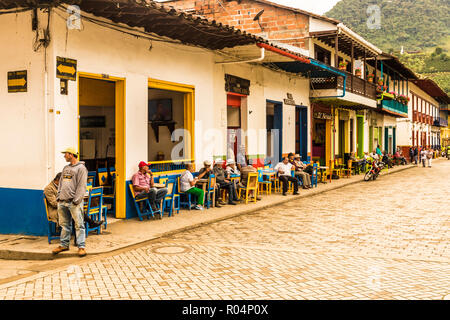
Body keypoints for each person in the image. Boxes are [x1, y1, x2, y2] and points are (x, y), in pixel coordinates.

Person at [52, 147, 88, 257]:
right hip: (62, 201)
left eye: (65, 154)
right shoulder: (65, 168)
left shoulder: (81, 168)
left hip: (73, 202)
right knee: (64, 225)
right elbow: (61, 183)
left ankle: (81, 247)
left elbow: (82, 186)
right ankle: (64, 244)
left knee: (79, 225)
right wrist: (59, 197)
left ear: (71, 155)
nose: (64, 156)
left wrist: (76, 201)